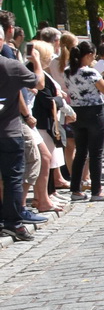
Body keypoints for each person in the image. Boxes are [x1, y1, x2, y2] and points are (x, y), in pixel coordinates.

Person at [0, 44, 42, 241]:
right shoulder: (11, 65)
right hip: (8, 132)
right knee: (12, 179)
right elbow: (39, 83)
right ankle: (13, 224)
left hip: (10, 131)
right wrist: (37, 61)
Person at [64, 44, 104, 202]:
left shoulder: (68, 71)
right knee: (96, 154)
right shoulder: (90, 72)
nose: (94, 58)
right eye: (93, 55)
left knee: (81, 152)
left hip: (77, 113)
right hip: (95, 113)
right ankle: (96, 191)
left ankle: (75, 189)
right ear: (87, 55)